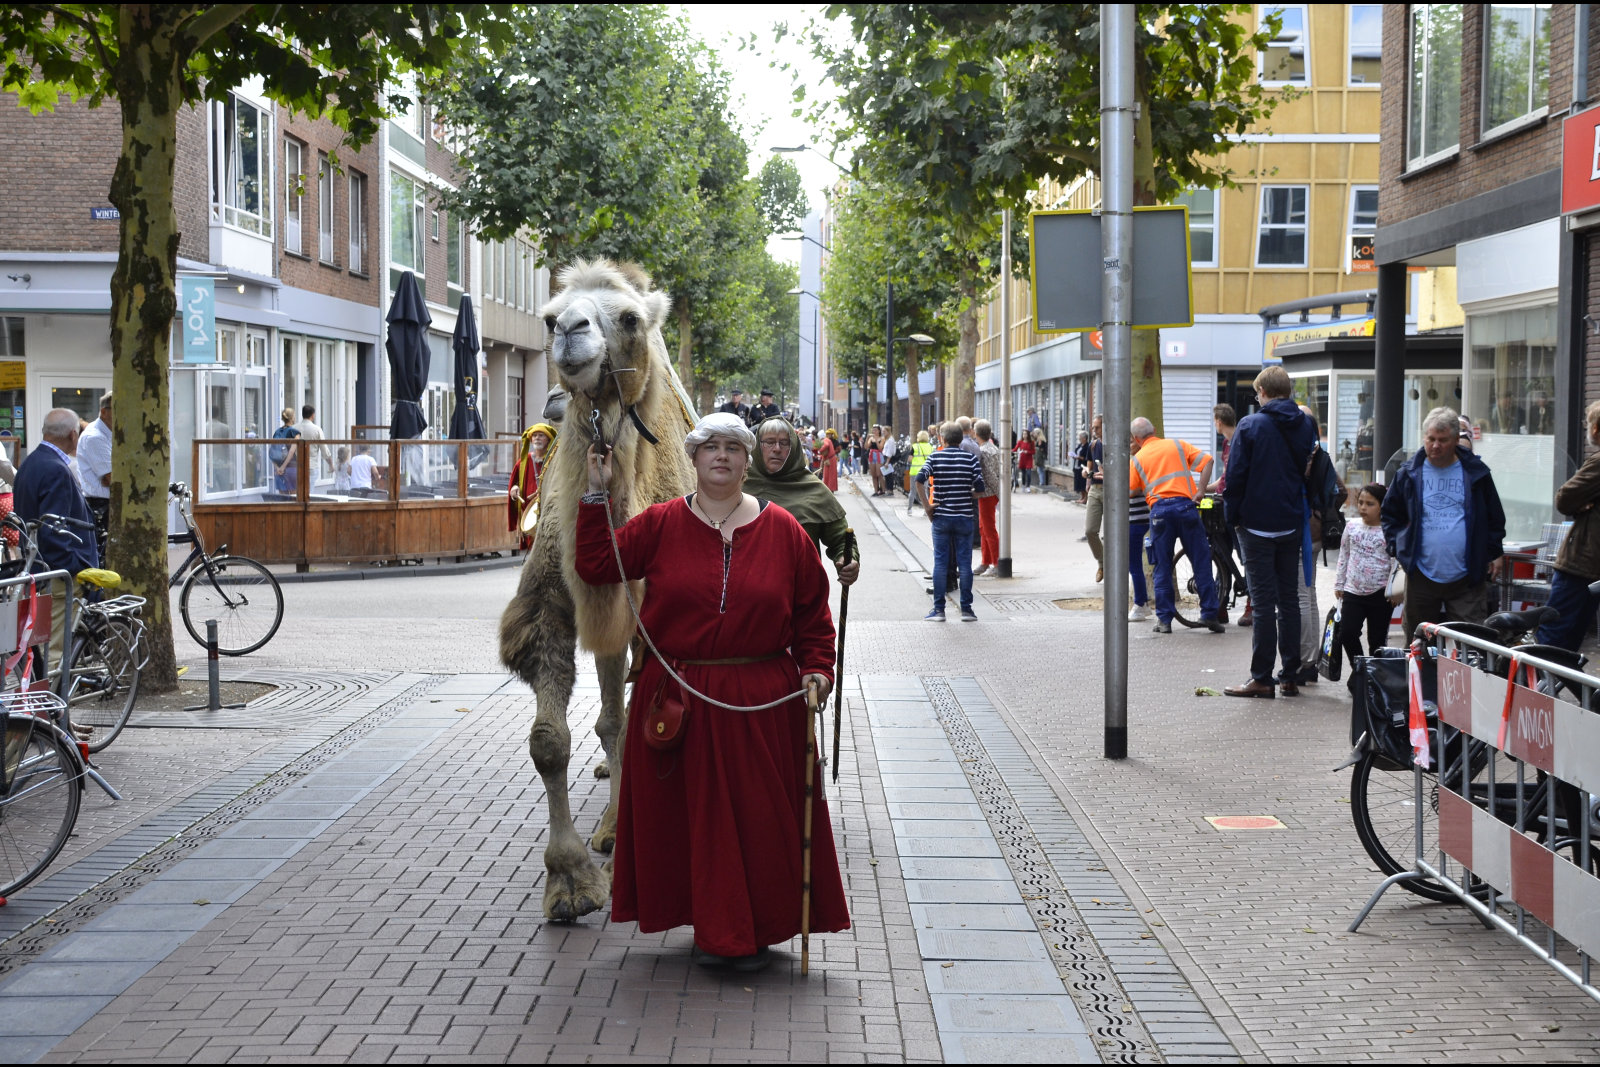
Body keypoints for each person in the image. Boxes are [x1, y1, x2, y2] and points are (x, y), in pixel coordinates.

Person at [574, 412, 847, 971]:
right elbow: (598, 565)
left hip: (761, 703)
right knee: (689, 820)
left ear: (748, 462)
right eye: (710, 448)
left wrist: (818, 670)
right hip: (677, 698)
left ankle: (755, 929)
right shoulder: (659, 524)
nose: (721, 456)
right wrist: (594, 496)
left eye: (733, 448)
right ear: (694, 460)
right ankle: (714, 925)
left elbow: (813, 619)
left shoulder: (785, 531)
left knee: (760, 821)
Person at [1222, 366, 1316, 698]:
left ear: (1262, 391)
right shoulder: (1305, 424)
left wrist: (1232, 516)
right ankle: (1289, 674)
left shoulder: (1250, 425)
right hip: (1290, 521)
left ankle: (1261, 677)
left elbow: (1236, 477)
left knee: (1262, 603)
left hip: (1257, 524)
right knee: (1288, 600)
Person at [1381, 406, 1506, 645]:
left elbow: (1494, 517)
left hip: (1467, 576)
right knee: (1418, 644)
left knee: (1471, 645)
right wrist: (1399, 548)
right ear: (1424, 438)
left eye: (1443, 440)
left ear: (1456, 440)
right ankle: (1421, 684)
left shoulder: (1476, 473)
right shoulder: (1409, 473)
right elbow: (1390, 514)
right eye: (1431, 439)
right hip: (1421, 575)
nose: (1435, 445)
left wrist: (1495, 551)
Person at [15, 408, 99, 672]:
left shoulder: (31, 463)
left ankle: (46, 704)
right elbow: (55, 531)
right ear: (74, 435)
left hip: (38, 569)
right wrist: (74, 568)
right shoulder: (56, 469)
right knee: (57, 648)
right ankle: (55, 711)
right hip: (58, 574)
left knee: (42, 643)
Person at [1129, 416, 1222, 635]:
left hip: (1160, 514)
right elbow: (1208, 461)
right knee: (1201, 561)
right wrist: (1200, 491)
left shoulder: (1138, 458)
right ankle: (1209, 614)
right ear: (1154, 430)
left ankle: (1164, 620)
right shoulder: (1177, 445)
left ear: (1136, 438)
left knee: (1162, 566)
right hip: (1186, 508)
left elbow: (1131, 491)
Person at [747, 417, 860, 586]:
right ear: (757, 447)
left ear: (793, 448)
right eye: (769, 442)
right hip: (746, 596)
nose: (777, 449)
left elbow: (841, 540)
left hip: (802, 596)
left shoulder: (815, 490)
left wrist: (847, 560)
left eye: (784, 443)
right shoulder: (738, 486)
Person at [1537, 400, 1600, 650]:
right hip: (1593, 566)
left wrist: (1579, 504)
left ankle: (1538, 687)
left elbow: (1564, 498)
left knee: (1554, 634)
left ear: (1595, 429)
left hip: (1581, 563)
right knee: (1573, 638)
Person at [917, 422, 983, 621]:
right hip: (964, 517)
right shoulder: (971, 459)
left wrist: (927, 507)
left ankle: (939, 610)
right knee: (965, 563)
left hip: (941, 518)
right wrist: (966, 494)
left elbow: (919, 480)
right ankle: (967, 609)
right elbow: (980, 489)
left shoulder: (935, 457)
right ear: (960, 439)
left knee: (940, 562)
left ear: (942, 439)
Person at [1334, 482, 1397, 669]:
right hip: (1352, 591)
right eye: (1360, 502)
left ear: (1382, 506)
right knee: (1347, 633)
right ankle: (1361, 672)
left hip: (1380, 593)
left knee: (1377, 641)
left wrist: (1393, 590)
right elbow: (1344, 555)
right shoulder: (1351, 527)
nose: (1363, 507)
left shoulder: (1389, 531)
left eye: (1370, 504)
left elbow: (1395, 562)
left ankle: (1374, 679)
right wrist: (1339, 584)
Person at [508, 422, 557, 549]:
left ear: (548, 439)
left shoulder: (555, 461)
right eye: (534, 435)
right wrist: (514, 489)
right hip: (530, 514)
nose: (537, 438)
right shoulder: (523, 462)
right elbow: (514, 484)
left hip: (550, 514)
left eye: (541, 435)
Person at [75, 391, 112, 558]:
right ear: (104, 412)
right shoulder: (95, 437)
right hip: (101, 506)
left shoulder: (109, 434)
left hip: (106, 504)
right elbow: (113, 478)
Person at [1128, 431, 1154, 621]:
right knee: (1134, 562)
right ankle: (1142, 602)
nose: (1129, 444)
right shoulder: (1138, 459)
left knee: (1134, 562)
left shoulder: (1138, 460)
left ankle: (1140, 604)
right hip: (1139, 517)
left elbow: (1132, 489)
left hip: (1137, 518)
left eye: (1131, 441)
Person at [973, 420, 1003, 577]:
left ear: (976, 434)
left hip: (987, 494)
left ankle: (996, 562)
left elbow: (990, 475)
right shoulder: (993, 448)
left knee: (988, 528)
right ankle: (986, 561)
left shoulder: (984, 451)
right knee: (983, 528)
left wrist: (999, 493)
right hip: (989, 493)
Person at [1085, 415, 1105, 578]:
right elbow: (1089, 466)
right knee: (1090, 530)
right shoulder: (1093, 445)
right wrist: (1086, 472)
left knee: (1112, 533)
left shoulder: (1116, 444)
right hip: (1095, 489)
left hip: (1113, 491)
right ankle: (1102, 562)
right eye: (1093, 427)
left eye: (1097, 427)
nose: (1094, 430)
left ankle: (1111, 566)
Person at [295, 404, 334, 481]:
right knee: (309, 491)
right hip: (311, 466)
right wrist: (330, 464)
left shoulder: (293, 428)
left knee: (297, 491)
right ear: (313, 415)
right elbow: (324, 450)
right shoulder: (316, 429)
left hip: (296, 466)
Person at [270, 408, 301, 494]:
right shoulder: (294, 432)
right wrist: (283, 467)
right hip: (292, 467)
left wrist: (277, 468)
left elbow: (272, 452)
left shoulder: (277, 432)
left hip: (278, 469)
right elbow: (291, 451)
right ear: (292, 418)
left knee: (283, 499)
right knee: (294, 498)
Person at [907, 429, 934, 514]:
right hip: (926, 472)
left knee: (913, 491)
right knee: (925, 490)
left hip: (915, 471)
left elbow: (909, 459)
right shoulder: (931, 447)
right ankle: (926, 510)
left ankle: (909, 509)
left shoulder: (915, 446)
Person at [815, 427, 839, 492]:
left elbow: (826, 445)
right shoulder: (828, 440)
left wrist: (820, 451)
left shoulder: (825, 440)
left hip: (829, 459)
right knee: (830, 474)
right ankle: (830, 488)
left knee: (829, 474)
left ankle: (830, 488)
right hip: (830, 459)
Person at [1072, 430, 1089, 502]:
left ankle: (1085, 498)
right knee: (1078, 482)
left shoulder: (1087, 446)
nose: (1079, 439)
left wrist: (1079, 457)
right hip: (1077, 466)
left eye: (1080, 438)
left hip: (1083, 466)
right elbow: (1076, 452)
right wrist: (1074, 456)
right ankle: (1082, 497)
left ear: (1084, 438)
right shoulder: (1080, 445)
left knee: (1083, 483)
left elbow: (1087, 458)